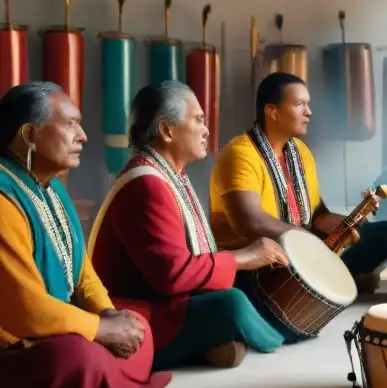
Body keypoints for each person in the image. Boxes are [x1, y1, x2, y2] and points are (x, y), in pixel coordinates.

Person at [89, 82, 290, 370]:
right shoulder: (147, 182)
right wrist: (243, 257)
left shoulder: (170, 174)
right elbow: (172, 276)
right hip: (141, 313)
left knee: (245, 287)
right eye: (198, 120)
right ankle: (276, 338)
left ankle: (219, 343)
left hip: (168, 302)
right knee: (230, 303)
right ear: (167, 130)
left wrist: (246, 261)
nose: (206, 130)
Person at [0, 82, 170, 388]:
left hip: (54, 334)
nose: (83, 136)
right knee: (75, 356)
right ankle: (92, 377)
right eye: (70, 124)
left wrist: (109, 316)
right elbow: (25, 312)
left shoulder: (53, 190)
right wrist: (100, 330)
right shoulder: (4, 197)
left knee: (136, 325)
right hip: (12, 348)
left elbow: (82, 274)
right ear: (29, 135)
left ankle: (87, 381)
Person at [210, 72, 387, 340]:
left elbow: (318, 215)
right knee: (279, 326)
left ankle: (343, 275)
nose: (309, 112)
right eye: (299, 104)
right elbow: (250, 223)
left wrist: (352, 222)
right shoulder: (240, 154)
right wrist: (310, 245)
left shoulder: (300, 152)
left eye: (308, 104)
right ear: (272, 111)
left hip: (304, 250)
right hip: (261, 265)